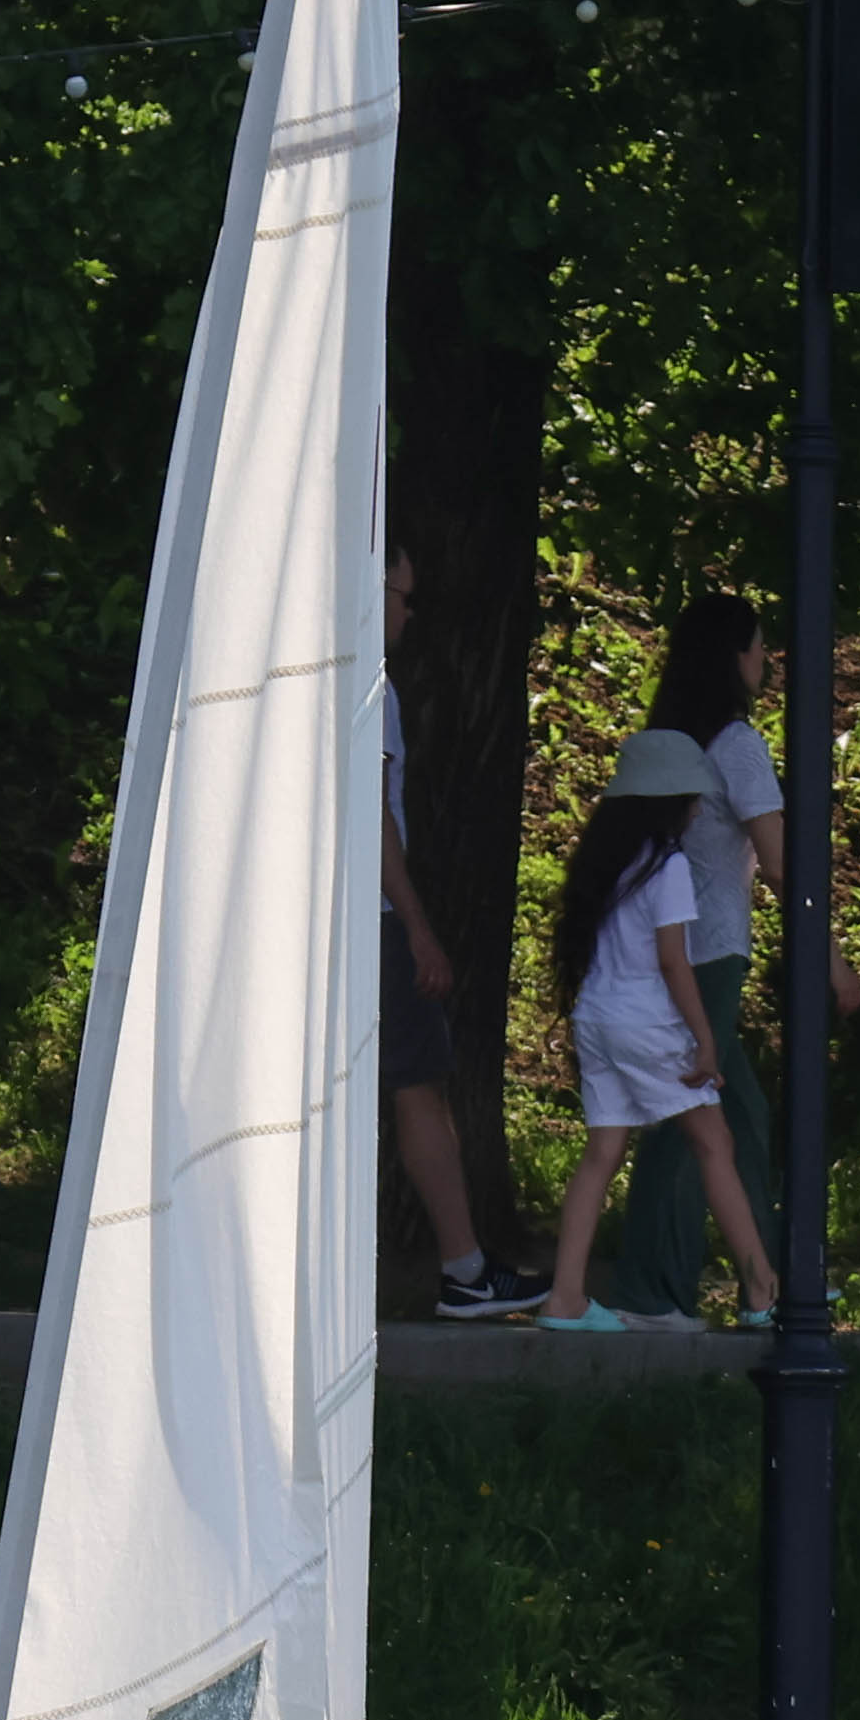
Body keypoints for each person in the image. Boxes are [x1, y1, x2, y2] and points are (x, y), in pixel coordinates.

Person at [596, 602, 791, 1322]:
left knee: (741, 1111)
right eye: (761, 647)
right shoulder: (736, 743)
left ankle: (769, 1282)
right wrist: (829, 957)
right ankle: (652, 1296)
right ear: (734, 656)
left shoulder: (669, 738)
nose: (766, 661)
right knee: (689, 1126)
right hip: (707, 957)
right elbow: (778, 863)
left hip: (664, 947)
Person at [530, 765, 769, 1329]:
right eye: (690, 801)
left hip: (597, 1015)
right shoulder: (670, 866)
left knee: (601, 1155)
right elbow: (672, 960)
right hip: (645, 1021)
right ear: (669, 803)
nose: (695, 812)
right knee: (715, 1141)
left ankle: (565, 1297)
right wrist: (705, 1039)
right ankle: (762, 1289)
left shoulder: (609, 863)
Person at [378, 551, 513, 1318]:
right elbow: (372, 816)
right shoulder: (372, 687)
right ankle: (465, 1268)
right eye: (403, 595)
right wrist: (421, 930)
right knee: (418, 1087)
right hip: (373, 918)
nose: (409, 613)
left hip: (312, 919)